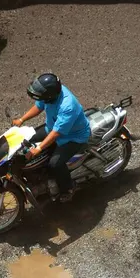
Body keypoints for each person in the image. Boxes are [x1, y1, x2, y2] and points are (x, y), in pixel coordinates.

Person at [12, 73, 91, 203]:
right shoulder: (51, 94)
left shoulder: (67, 106)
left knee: (55, 164)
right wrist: (21, 119)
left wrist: (39, 148)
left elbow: (56, 133)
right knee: (27, 139)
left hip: (73, 137)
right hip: (53, 127)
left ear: (49, 95)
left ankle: (68, 188)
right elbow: (38, 107)